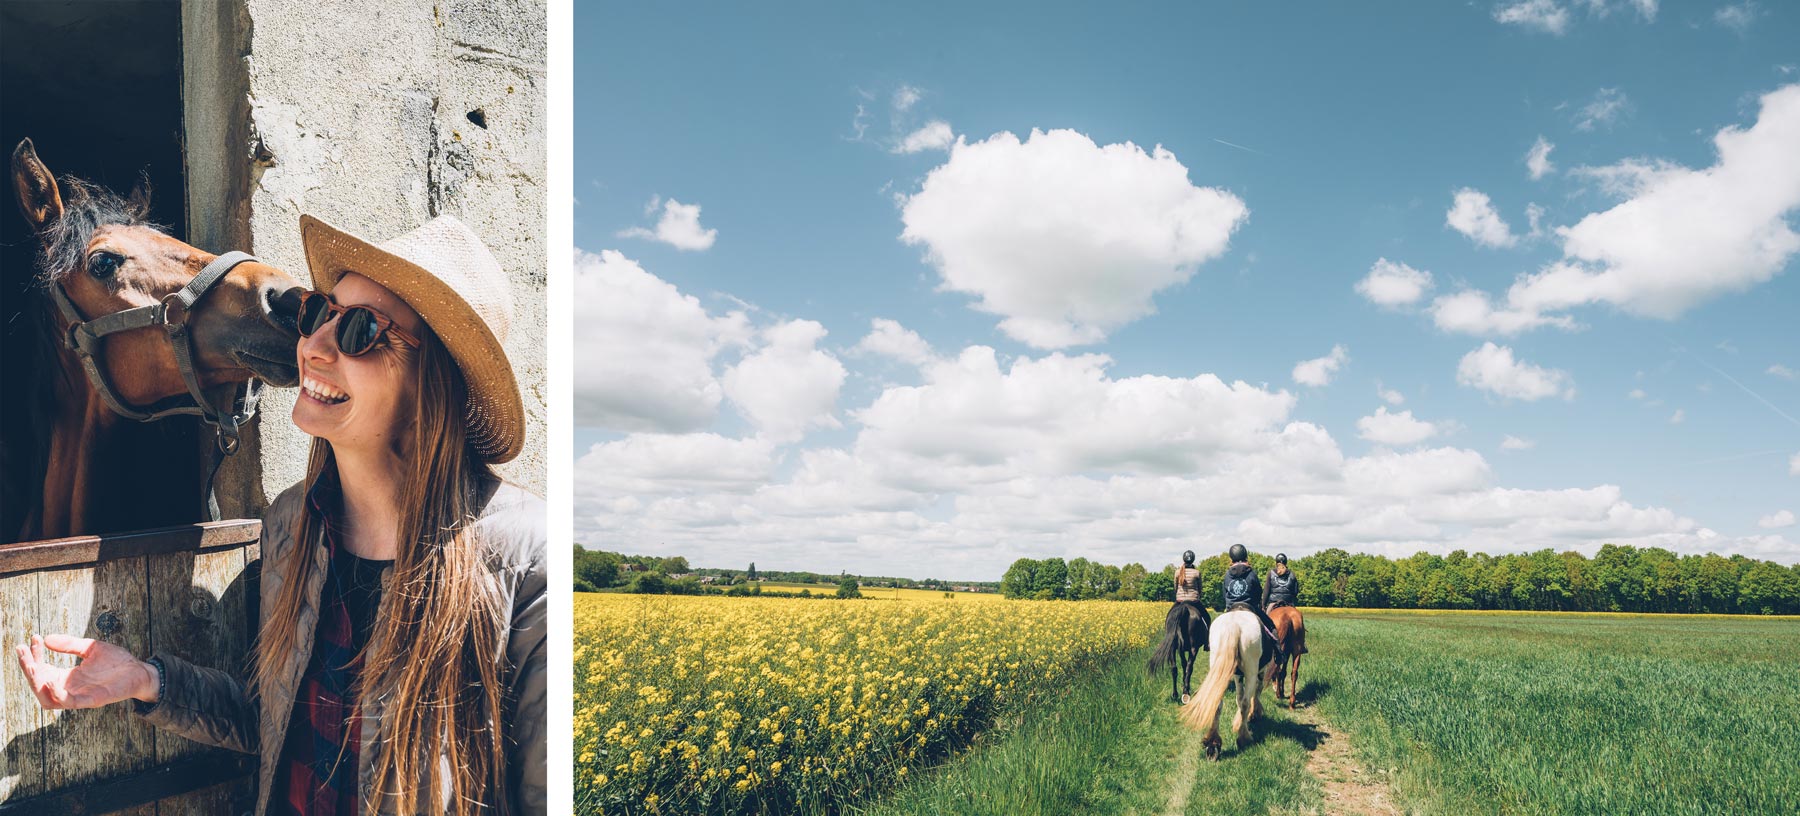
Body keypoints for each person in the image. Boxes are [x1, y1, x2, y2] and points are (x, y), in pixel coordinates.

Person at [15, 214, 546, 815]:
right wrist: (146, 681)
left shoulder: (525, 558)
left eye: (363, 330)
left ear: (435, 379)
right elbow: (277, 723)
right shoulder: (293, 524)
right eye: (321, 312)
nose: (313, 346)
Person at [1218, 543, 1281, 655]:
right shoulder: (1251, 572)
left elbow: (1224, 593)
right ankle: (1278, 653)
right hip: (1249, 607)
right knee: (1271, 626)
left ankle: (1211, 646)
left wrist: (1229, 604)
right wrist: (1257, 604)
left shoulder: (1228, 574)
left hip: (1232, 608)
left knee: (1218, 627)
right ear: (1245, 555)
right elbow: (1258, 591)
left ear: (1231, 557)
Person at [1172, 549, 1212, 650]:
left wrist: (1179, 595)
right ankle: (1207, 643)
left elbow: (1175, 587)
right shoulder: (1197, 573)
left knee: (1169, 618)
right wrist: (1198, 596)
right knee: (1207, 618)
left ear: (1183, 559)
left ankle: (1169, 639)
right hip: (1194, 601)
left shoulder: (1177, 572)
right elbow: (1200, 588)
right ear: (1193, 560)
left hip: (1180, 601)